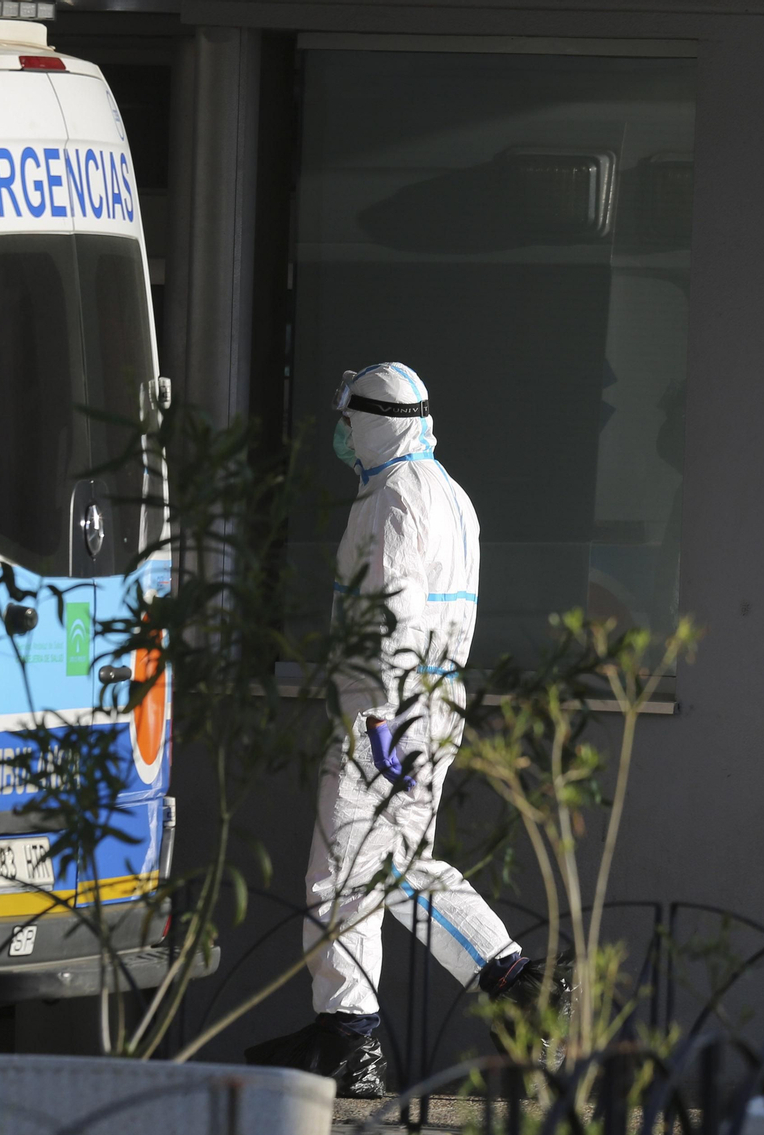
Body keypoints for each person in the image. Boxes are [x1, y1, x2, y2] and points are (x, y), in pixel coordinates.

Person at [245, 363, 566, 1098]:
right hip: (434, 702)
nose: (342, 433)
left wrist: (384, 725)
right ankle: (513, 980)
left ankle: (350, 1035)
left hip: (383, 710)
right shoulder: (449, 492)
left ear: (374, 421)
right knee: (398, 867)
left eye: (348, 420)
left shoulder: (392, 498)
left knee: (342, 875)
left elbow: (391, 617)